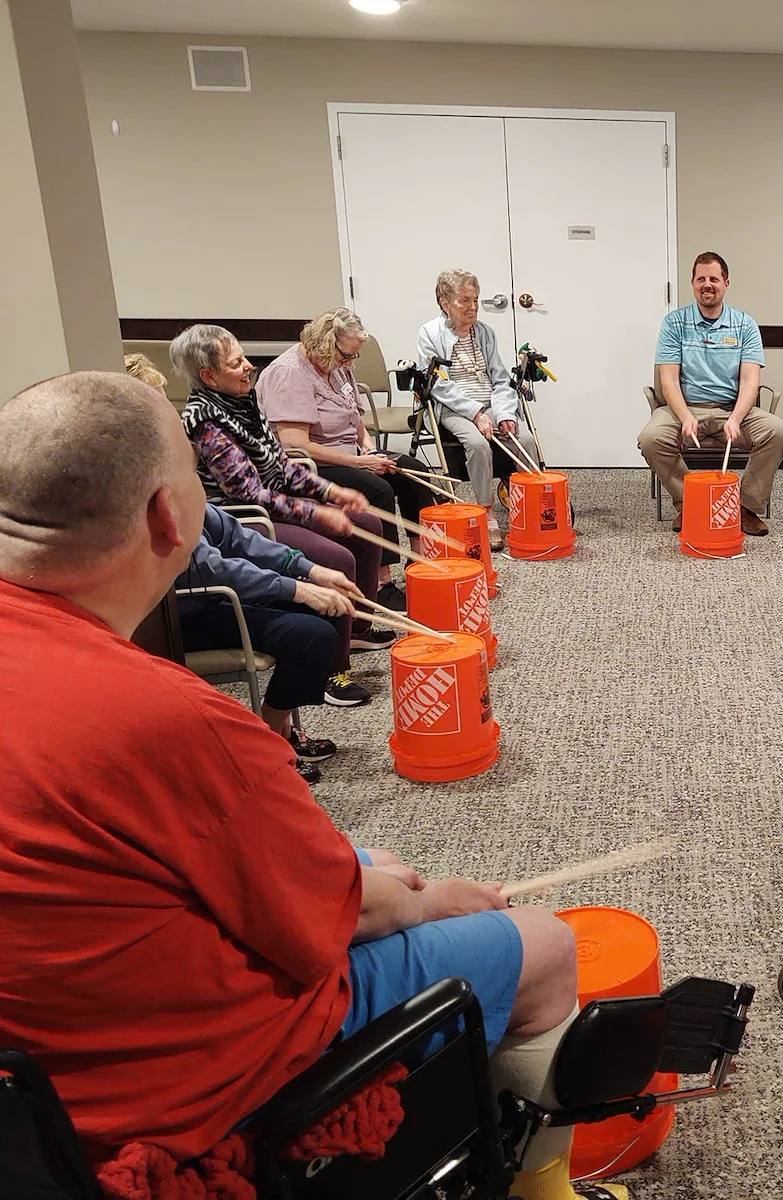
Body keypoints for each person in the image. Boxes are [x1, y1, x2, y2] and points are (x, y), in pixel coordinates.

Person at [0, 371, 624, 1200]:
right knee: (540, 944)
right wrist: (428, 902)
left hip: (36, 1078)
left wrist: (361, 875)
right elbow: (340, 921)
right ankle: (539, 1189)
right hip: (167, 1088)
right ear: (168, 514)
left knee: (367, 860)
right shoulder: (179, 723)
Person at [172, 322, 394, 673]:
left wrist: (330, 491)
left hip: (277, 502)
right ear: (209, 376)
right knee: (337, 558)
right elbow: (250, 494)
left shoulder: (244, 401)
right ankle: (333, 670)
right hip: (246, 517)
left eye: (244, 357)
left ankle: (356, 628)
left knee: (366, 524)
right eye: (235, 363)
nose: (248, 366)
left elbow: (282, 464)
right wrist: (316, 513)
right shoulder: (205, 422)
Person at [178, 504, 371, 782]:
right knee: (312, 637)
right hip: (182, 614)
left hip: (215, 596)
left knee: (333, 608)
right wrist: (297, 589)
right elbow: (211, 569)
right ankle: (264, 744)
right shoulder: (158, 502)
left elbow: (236, 537)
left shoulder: (182, 489)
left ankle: (279, 731)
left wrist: (311, 570)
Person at [258, 307, 435, 605]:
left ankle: (417, 563)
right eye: (347, 356)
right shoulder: (288, 372)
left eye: (354, 356)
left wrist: (367, 447)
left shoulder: (337, 364)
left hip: (349, 453)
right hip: (307, 466)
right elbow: (294, 445)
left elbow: (355, 418)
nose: (350, 362)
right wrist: (359, 462)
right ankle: (380, 584)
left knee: (410, 470)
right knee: (379, 489)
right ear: (326, 343)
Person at [638, 251, 783, 537]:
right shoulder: (674, 323)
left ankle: (744, 506)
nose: (707, 284)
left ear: (726, 283)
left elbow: (750, 383)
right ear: (693, 283)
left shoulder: (745, 324)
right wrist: (684, 415)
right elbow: (668, 380)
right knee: (651, 438)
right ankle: (691, 503)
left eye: (714, 279)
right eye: (701, 279)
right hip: (684, 409)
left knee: (776, 431)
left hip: (732, 410)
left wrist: (735, 418)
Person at [417, 269, 542, 552]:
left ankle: (528, 507)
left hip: (489, 403)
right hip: (452, 408)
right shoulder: (429, 334)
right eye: (464, 301)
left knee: (524, 441)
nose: (473, 307)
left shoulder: (484, 332)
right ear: (444, 302)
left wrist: (506, 413)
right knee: (477, 442)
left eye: (475, 300)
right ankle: (486, 511)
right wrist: (475, 413)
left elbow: (500, 379)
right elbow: (439, 386)